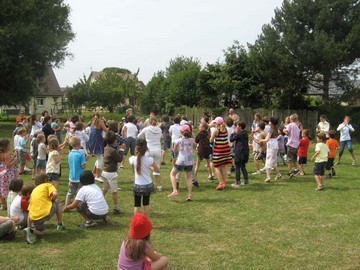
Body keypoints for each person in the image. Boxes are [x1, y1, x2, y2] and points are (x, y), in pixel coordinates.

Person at [25, 173, 64, 244]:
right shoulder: (48, 185)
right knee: (57, 203)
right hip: (46, 213)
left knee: (41, 232)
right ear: (46, 180)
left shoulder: (33, 191)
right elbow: (55, 194)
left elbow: (29, 211)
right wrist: (53, 200)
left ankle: (30, 230)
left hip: (34, 218)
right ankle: (60, 224)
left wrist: (29, 225)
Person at [129, 139, 159, 216]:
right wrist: (150, 168)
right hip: (148, 184)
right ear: (146, 149)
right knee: (146, 203)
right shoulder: (150, 160)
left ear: (136, 148)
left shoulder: (132, 159)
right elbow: (157, 170)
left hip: (138, 185)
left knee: (137, 204)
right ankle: (146, 221)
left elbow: (133, 169)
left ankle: (136, 221)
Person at [167, 125, 196, 200]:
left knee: (172, 174)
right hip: (189, 161)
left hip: (181, 160)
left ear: (181, 132)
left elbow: (175, 150)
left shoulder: (178, 141)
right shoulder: (192, 140)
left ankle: (175, 190)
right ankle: (189, 195)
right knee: (189, 178)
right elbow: (195, 147)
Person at [101, 131, 124, 215]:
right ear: (114, 140)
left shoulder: (106, 148)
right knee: (114, 191)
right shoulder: (113, 150)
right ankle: (116, 208)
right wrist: (121, 150)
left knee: (105, 188)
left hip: (104, 172)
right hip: (111, 173)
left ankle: (99, 200)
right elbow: (120, 159)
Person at [138, 116, 163, 192]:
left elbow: (139, 136)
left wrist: (144, 140)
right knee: (157, 168)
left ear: (149, 122)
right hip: (158, 150)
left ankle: (146, 184)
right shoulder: (159, 129)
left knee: (145, 167)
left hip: (149, 150)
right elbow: (160, 137)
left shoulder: (146, 129)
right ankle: (159, 186)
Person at [253, 117, 281, 183]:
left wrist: (260, 140)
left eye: (270, 121)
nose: (269, 122)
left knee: (268, 161)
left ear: (272, 122)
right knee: (273, 161)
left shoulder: (271, 130)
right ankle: (278, 174)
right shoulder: (276, 129)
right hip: (275, 145)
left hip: (271, 146)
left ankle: (268, 177)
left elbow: (267, 139)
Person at [209, 117, 232, 190]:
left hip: (218, 151)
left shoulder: (216, 130)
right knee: (224, 167)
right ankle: (224, 182)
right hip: (226, 150)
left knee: (216, 166)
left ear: (216, 123)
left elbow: (211, 141)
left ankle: (220, 182)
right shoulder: (225, 130)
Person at [65, 136, 86, 206]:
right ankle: (80, 205)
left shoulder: (70, 154)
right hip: (80, 177)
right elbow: (83, 166)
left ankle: (66, 204)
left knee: (70, 192)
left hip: (71, 177)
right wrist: (85, 160)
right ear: (79, 145)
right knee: (81, 192)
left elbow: (69, 163)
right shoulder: (81, 155)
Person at [0, 138, 19, 210]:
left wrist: (13, 155)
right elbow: (8, 165)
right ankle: (9, 203)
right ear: (6, 146)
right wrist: (14, 160)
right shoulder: (6, 154)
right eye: (9, 145)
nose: (10, 146)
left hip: (1, 173)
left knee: (2, 189)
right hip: (7, 174)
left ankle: (2, 205)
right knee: (9, 188)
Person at [88, 113, 108, 181]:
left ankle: (94, 173)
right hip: (98, 141)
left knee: (98, 158)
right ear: (99, 117)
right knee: (100, 159)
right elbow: (106, 130)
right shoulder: (100, 122)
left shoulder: (92, 123)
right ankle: (97, 176)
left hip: (92, 141)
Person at [230, 121, 249, 187]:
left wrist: (232, 134)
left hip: (239, 152)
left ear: (240, 127)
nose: (236, 127)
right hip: (245, 152)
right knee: (243, 167)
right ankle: (246, 180)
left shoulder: (239, 134)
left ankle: (237, 182)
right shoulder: (245, 133)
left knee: (237, 167)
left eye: (237, 126)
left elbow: (231, 140)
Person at [283, 114, 301, 178]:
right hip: (296, 144)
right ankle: (297, 169)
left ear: (291, 119)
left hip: (291, 143)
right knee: (294, 159)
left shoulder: (290, 125)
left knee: (289, 159)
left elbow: (287, 132)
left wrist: (284, 130)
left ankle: (290, 172)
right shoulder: (297, 126)